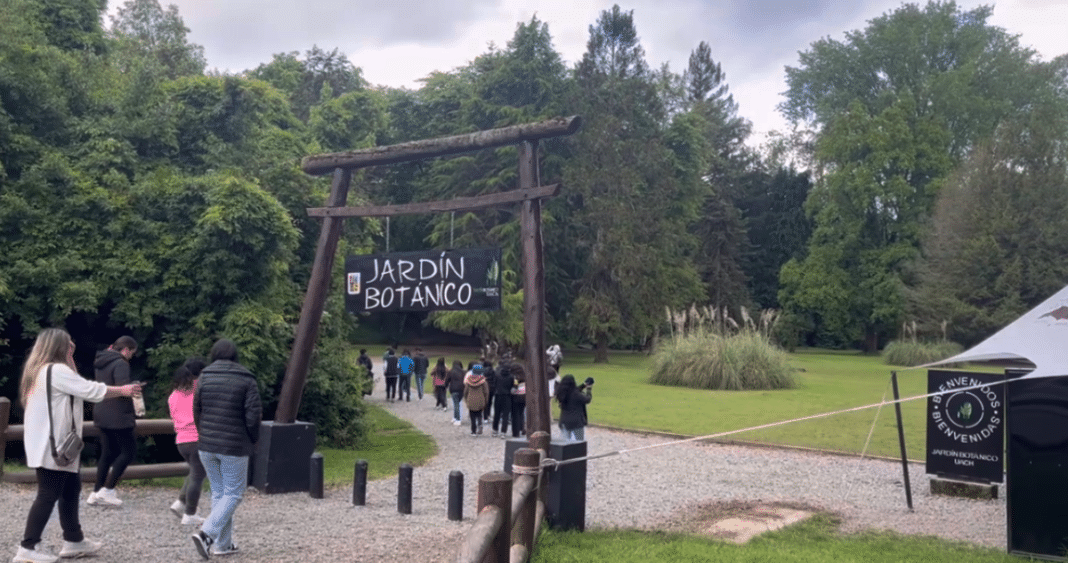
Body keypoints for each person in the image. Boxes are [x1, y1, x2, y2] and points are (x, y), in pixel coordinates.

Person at [15, 328, 141, 563]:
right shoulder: (57, 370)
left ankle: (74, 539)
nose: (73, 345)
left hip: (49, 443)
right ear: (60, 347)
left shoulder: (40, 371)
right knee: (48, 494)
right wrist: (122, 390)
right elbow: (90, 390)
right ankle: (27, 548)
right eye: (69, 344)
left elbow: (78, 386)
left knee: (71, 489)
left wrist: (70, 359)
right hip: (55, 446)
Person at [191, 339, 262, 560]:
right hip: (234, 445)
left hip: (207, 445)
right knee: (233, 493)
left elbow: (197, 410)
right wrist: (253, 439)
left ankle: (223, 544)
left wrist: (204, 434)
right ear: (235, 356)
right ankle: (207, 534)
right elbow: (253, 416)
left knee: (220, 493)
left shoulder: (204, 376)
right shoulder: (246, 379)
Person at [88, 335, 139, 508]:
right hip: (118, 415)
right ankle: (108, 490)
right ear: (126, 350)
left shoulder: (101, 361)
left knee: (107, 453)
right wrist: (134, 389)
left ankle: (96, 491)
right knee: (129, 452)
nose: (131, 356)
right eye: (131, 353)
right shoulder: (121, 364)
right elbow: (122, 388)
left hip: (101, 412)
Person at [168, 357, 208, 526]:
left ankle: (180, 503)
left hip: (181, 440)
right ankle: (190, 513)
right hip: (197, 438)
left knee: (194, 473)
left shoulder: (173, 395)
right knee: (198, 477)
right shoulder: (199, 389)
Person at [555, 374, 593, 442]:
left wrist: (583, 385)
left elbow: (574, 390)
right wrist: (589, 389)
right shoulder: (575, 394)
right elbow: (587, 399)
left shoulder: (562, 393)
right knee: (579, 443)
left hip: (564, 421)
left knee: (565, 444)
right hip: (577, 422)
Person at [463, 364, 489, 436]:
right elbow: (486, 392)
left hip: (471, 400)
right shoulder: (483, 382)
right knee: (479, 414)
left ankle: (473, 431)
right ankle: (480, 425)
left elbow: (465, 392)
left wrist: (466, 399)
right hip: (480, 400)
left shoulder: (469, 381)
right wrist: (486, 401)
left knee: (472, 416)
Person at [491, 358, 513, 438]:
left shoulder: (497, 375)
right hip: (507, 396)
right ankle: (503, 431)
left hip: (498, 395)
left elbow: (495, 384)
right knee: (505, 415)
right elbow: (511, 386)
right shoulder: (511, 377)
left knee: (497, 413)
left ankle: (495, 430)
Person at [444, 360, 466, 425]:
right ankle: (455, 416)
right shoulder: (463, 372)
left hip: (454, 389)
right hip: (462, 389)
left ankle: (458, 419)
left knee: (456, 404)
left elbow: (447, 380)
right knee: (458, 403)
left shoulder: (451, 371)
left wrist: (445, 386)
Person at [510, 364, 527, 438]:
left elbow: (514, 387)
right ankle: (522, 427)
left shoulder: (515, 378)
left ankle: (516, 432)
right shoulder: (525, 376)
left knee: (515, 415)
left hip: (516, 396)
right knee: (521, 413)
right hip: (524, 396)